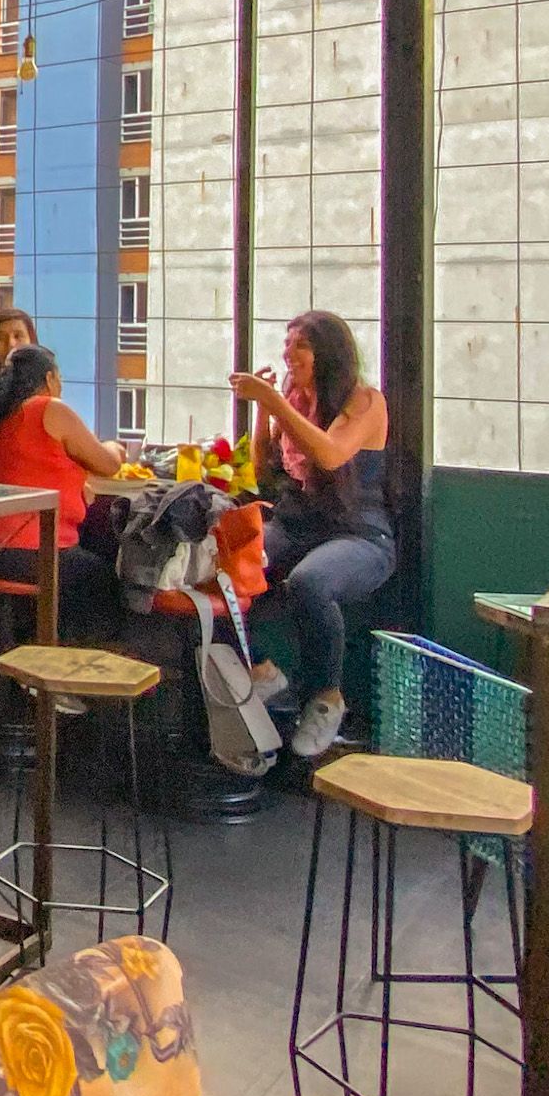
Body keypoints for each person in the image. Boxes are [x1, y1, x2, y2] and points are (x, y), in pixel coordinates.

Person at [229, 309, 393, 759]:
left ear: (328, 352)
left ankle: (327, 698)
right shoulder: (293, 397)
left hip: (359, 533)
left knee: (310, 581)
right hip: (297, 521)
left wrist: (274, 401)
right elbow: (264, 466)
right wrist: (264, 410)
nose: (289, 353)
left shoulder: (364, 401)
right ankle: (262, 670)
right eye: (287, 343)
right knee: (227, 565)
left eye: (300, 344)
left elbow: (331, 455)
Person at [0, 343, 124, 642]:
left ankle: (16, 666)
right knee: (102, 577)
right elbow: (107, 464)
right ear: (49, 380)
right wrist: (115, 448)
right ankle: (68, 670)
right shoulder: (48, 408)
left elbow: (21, 465)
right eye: (59, 381)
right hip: (23, 552)